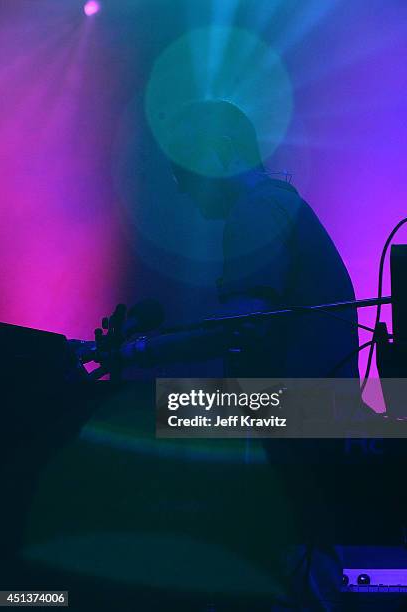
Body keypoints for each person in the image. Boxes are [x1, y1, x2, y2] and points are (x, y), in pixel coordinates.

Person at [149, 99, 361, 609]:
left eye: (184, 169)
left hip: (293, 409)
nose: (178, 185)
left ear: (220, 154)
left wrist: (138, 351)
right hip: (316, 408)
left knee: (145, 417)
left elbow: (245, 329)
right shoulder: (277, 203)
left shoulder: (254, 210)